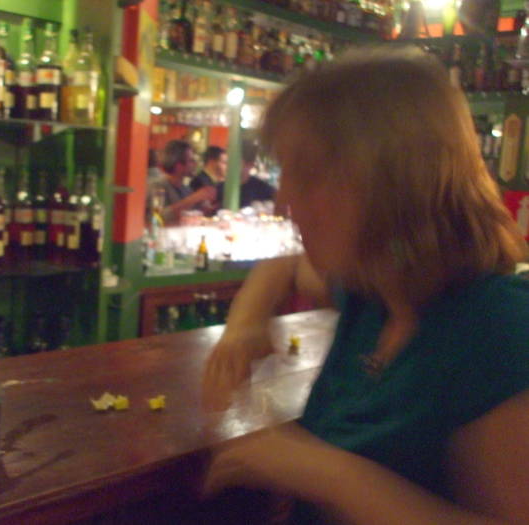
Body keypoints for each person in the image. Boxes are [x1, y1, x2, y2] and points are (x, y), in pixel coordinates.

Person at [201, 47, 529, 524]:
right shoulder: (374, 292)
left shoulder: (499, 330)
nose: (284, 199)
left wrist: (324, 472)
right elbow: (282, 269)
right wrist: (245, 324)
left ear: (390, 181)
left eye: (307, 174)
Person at [148, 140, 216, 225]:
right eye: (191, 161)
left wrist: (204, 208)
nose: (195, 164)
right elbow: (158, 218)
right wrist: (194, 198)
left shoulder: (185, 188)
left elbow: (189, 214)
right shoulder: (157, 186)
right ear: (179, 166)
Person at [216, 140, 275, 209]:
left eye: (233, 161)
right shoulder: (218, 189)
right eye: (225, 162)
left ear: (250, 165)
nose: (227, 166)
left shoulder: (264, 191)